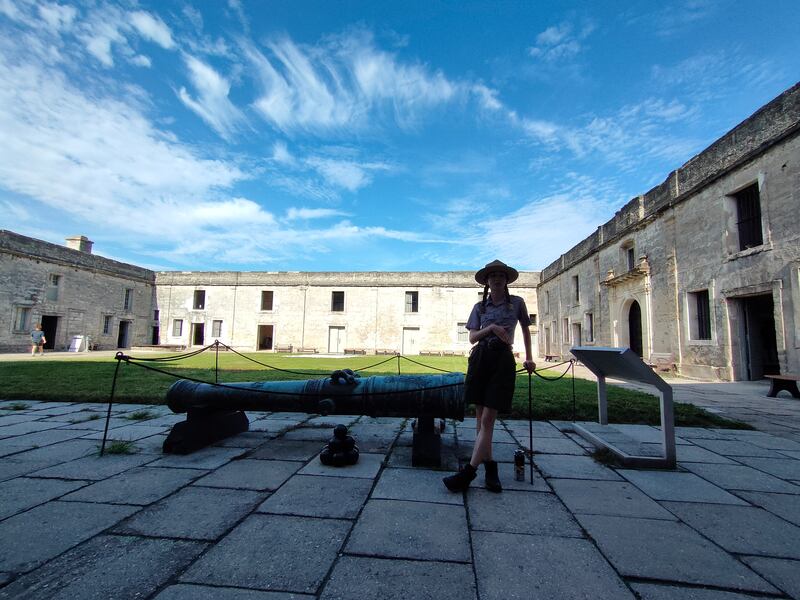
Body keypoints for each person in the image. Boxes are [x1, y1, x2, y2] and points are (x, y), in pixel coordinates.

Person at [443, 260, 535, 493]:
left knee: (488, 420)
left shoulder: (517, 303)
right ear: (486, 281)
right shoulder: (479, 307)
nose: (496, 279)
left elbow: (525, 328)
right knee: (480, 419)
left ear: (506, 280)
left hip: (502, 361)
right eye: (492, 275)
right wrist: (492, 328)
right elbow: (473, 337)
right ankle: (490, 468)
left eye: (500, 275)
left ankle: (468, 473)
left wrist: (529, 357)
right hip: (480, 359)